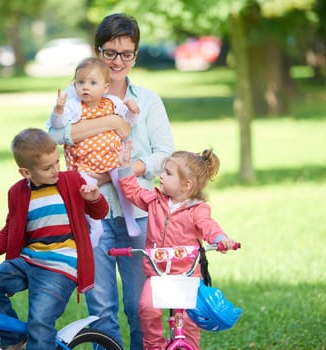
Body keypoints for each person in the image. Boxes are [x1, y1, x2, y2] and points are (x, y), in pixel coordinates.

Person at [48, 13, 175, 349]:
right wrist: (110, 122)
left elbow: (165, 154)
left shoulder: (147, 100)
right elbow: (55, 136)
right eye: (110, 52)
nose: (118, 61)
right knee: (101, 308)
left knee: (139, 307)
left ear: (135, 54)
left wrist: (123, 171)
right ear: (97, 50)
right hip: (92, 216)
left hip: (139, 213)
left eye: (127, 53)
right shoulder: (76, 98)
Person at [0, 128, 109, 350]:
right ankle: (14, 340)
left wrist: (94, 199)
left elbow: (100, 212)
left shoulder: (72, 181)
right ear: (26, 173)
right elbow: (10, 229)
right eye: (48, 167)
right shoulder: (17, 193)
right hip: (29, 261)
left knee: (40, 323)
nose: (56, 169)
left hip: (60, 265)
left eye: (57, 162)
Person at [117, 143, 238, 349]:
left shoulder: (197, 209)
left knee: (189, 321)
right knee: (147, 308)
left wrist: (220, 239)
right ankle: (154, 345)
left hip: (187, 276)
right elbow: (133, 191)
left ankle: (188, 346)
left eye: (168, 173)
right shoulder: (155, 199)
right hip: (158, 274)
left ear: (187, 185)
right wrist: (125, 166)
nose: (161, 175)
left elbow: (208, 226)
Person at [48, 57, 141, 246]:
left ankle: (130, 220)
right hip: (85, 164)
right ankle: (95, 227)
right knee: (86, 194)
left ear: (105, 87)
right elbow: (58, 127)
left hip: (112, 159)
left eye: (92, 83)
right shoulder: (74, 106)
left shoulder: (113, 103)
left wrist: (133, 111)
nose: (85, 88)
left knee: (124, 184)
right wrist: (58, 110)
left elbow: (128, 123)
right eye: (80, 82)